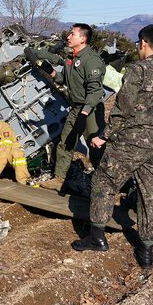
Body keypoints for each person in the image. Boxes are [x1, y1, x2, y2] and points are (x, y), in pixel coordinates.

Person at [71, 24, 153, 269]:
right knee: (149, 194)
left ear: (143, 42)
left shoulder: (138, 70)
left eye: (137, 43)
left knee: (104, 183)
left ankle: (97, 237)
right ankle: (146, 249)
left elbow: (123, 109)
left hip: (132, 141)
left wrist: (104, 136)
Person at [40, 24, 106, 191]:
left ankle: (107, 182)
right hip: (77, 108)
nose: (68, 37)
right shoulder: (73, 58)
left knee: (96, 146)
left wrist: (83, 115)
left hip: (90, 109)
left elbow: (95, 91)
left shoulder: (91, 60)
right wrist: (52, 72)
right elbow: (65, 80)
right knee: (66, 142)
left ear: (83, 38)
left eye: (72, 34)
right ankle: (59, 179)